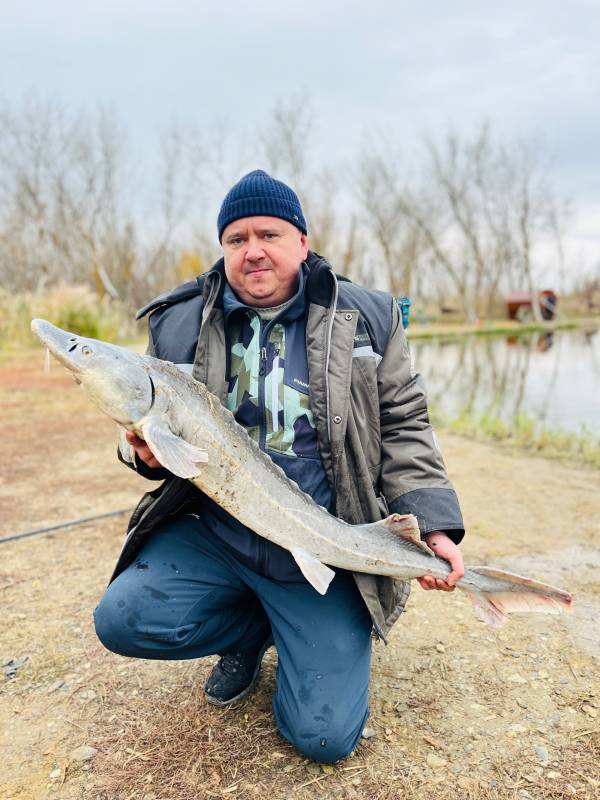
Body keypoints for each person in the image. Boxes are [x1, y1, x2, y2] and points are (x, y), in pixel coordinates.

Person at [93, 170, 465, 763]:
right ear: (223, 249)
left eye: (268, 234)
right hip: (216, 531)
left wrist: (435, 524)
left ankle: (302, 625)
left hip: (320, 533)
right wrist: (138, 451)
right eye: (236, 239)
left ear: (302, 241)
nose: (253, 250)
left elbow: (405, 427)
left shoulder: (369, 316)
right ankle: (250, 631)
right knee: (123, 619)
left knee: (322, 737)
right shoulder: (180, 320)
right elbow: (141, 425)